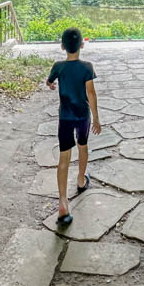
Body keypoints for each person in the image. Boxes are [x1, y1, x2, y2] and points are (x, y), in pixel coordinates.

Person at [46, 27, 101, 225]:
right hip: (82, 117)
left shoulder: (58, 66)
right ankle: (80, 180)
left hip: (65, 119)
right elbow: (91, 94)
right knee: (83, 147)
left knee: (64, 157)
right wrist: (96, 118)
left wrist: (51, 85)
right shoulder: (87, 67)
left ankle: (63, 203)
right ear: (82, 45)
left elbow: (49, 81)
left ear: (62, 46)